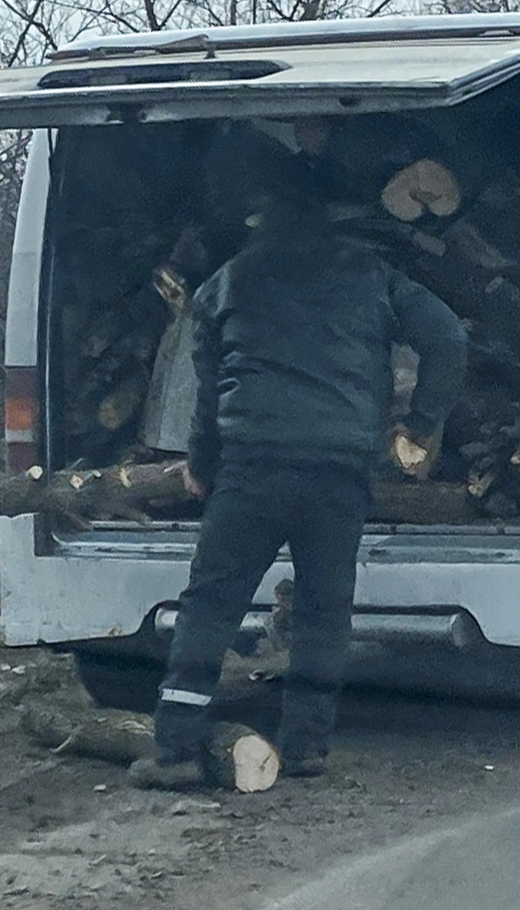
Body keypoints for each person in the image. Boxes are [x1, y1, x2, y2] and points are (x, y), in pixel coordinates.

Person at [129, 143, 468, 789]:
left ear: (264, 219)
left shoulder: (228, 281)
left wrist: (202, 464)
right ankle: (307, 745)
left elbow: (208, 389)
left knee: (211, 603)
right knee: (322, 608)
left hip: (251, 467)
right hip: (338, 470)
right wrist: (419, 424)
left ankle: (175, 749)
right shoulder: (370, 274)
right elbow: (449, 337)